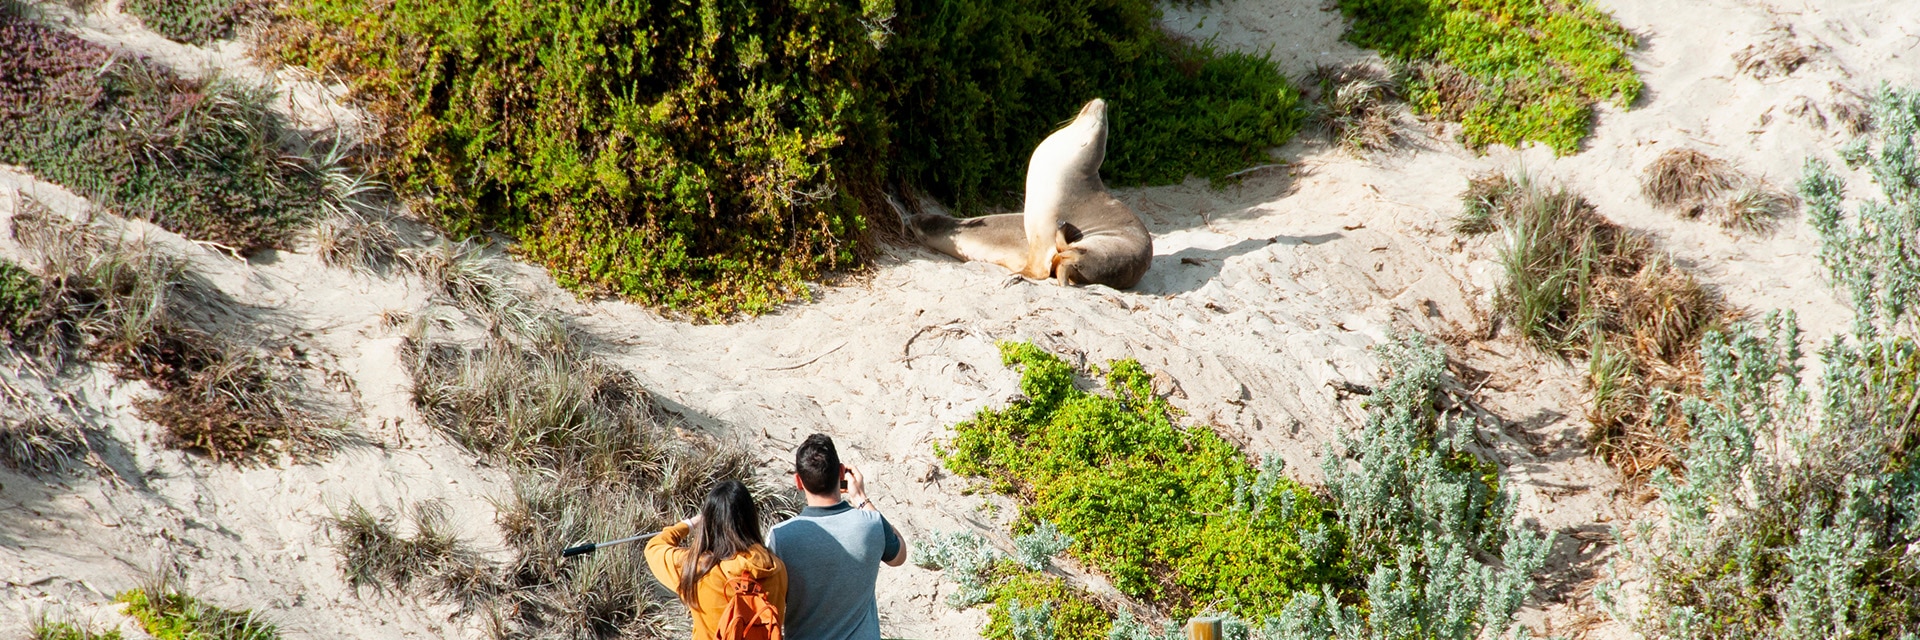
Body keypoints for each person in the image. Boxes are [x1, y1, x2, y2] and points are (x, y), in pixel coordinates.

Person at [767, 434, 909, 640]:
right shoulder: (871, 525)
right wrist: (860, 497)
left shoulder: (780, 536)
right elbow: (899, 555)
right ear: (841, 472)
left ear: (798, 481)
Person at [646, 479, 789, 639]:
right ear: (751, 518)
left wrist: (689, 524)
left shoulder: (697, 568)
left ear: (709, 521)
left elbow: (654, 548)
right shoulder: (776, 568)